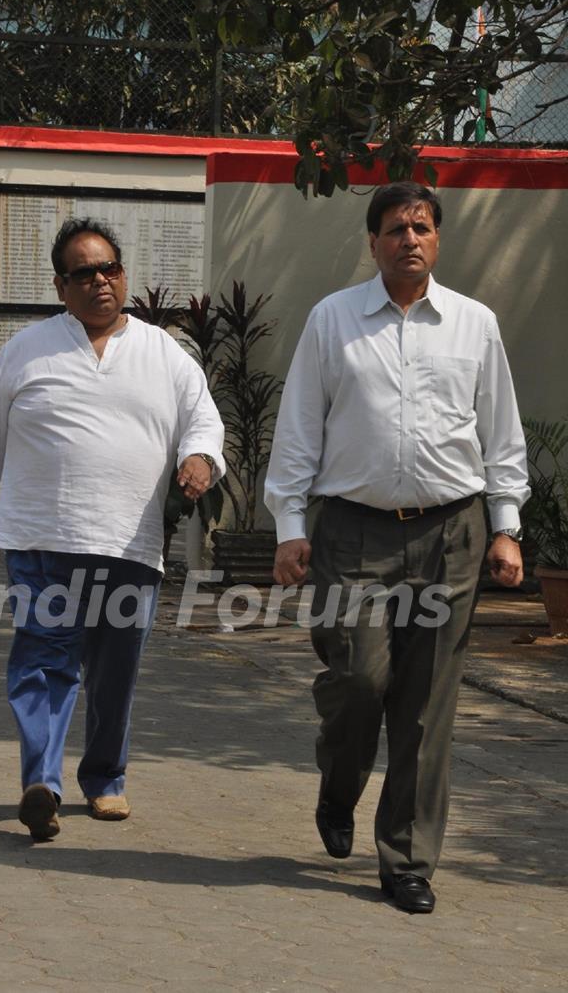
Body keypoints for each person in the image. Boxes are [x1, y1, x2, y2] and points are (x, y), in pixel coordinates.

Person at [264, 181, 529, 914]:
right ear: (372, 242)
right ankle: (338, 784)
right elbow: (299, 430)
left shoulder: (475, 325)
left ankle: (408, 859)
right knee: (358, 681)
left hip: (452, 531)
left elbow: (500, 433)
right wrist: (290, 527)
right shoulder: (333, 320)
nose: (409, 238)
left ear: (436, 239)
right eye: (394, 228)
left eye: (421, 227)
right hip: (353, 531)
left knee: (424, 704)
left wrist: (504, 526)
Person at [0, 216, 225, 842]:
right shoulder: (27, 349)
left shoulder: (164, 353)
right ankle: (41, 784)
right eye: (85, 273)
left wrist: (198, 459)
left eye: (111, 269)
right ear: (61, 286)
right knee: (44, 660)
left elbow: (203, 422)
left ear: (123, 275)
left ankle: (104, 779)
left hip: (129, 543)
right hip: (42, 540)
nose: (101, 281)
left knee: (113, 671)